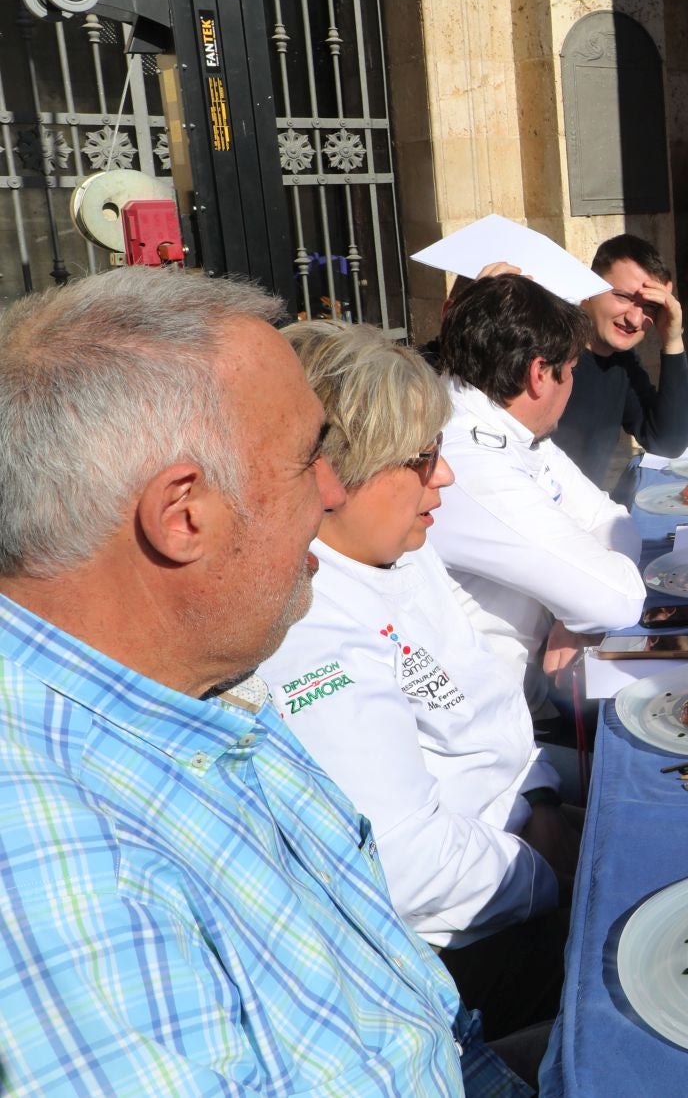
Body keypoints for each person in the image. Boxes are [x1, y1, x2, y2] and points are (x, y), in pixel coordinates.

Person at [0, 268, 524, 1096]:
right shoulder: (63, 878)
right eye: (307, 456)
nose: (330, 490)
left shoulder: (200, 673)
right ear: (183, 515)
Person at [258, 320, 576, 1043]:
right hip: (457, 944)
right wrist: (551, 867)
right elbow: (407, 866)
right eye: (422, 458)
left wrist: (544, 796)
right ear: (336, 474)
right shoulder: (309, 627)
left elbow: (487, 715)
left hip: (517, 837)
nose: (446, 475)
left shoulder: (397, 548)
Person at [429, 274, 650, 736]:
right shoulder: (469, 461)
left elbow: (613, 521)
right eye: (570, 370)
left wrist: (575, 615)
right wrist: (586, 603)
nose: (570, 384)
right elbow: (620, 599)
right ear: (538, 374)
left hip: (523, 704)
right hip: (491, 732)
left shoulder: (503, 422)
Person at [549, 234, 688, 494]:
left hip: (587, 515)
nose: (635, 319)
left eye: (650, 306)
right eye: (623, 297)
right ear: (589, 288)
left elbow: (667, 443)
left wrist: (672, 341)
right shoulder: (548, 352)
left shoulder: (622, 363)